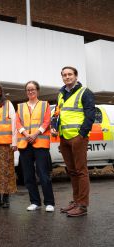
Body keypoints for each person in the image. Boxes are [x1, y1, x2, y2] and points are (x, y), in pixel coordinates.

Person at [51, 66, 95, 217]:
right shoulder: (61, 93)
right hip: (64, 137)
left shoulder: (85, 92)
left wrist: (82, 134)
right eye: (64, 75)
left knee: (81, 171)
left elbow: (90, 115)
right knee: (72, 171)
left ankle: (82, 205)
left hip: (77, 137)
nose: (67, 77)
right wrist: (54, 126)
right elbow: (57, 113)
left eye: (70, 74)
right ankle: (76, 201)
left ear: (76, 76)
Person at [16, 81, 55, 212]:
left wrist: (36, 134)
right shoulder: (20, 106)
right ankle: (35, 202)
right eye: (28, 90)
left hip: (40, 142)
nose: (30, 91)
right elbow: (17, 122)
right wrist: (26, 134)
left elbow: (47, 121)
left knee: (43, 174)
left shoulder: (45, 104)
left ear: (37, 91)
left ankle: (49, 203)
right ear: (26, 92)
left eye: (33, 89)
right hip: (25, 143)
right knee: (28, 175)